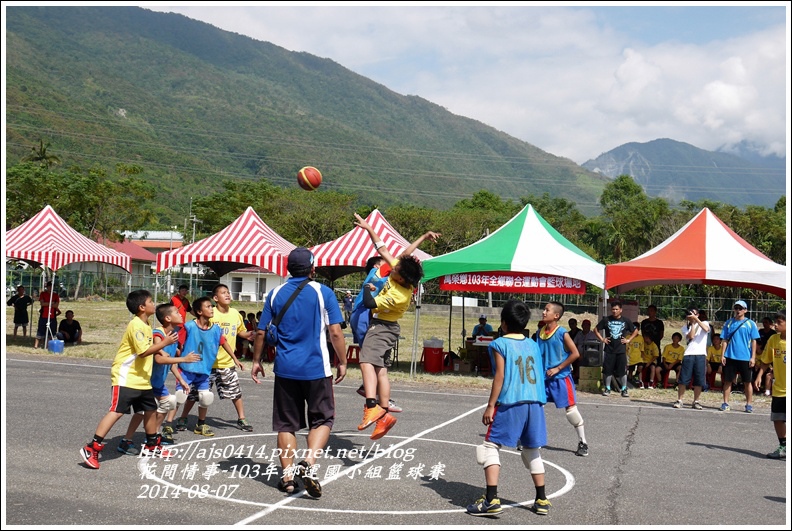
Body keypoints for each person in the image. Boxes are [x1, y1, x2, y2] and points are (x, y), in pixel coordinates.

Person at [251, 247, 347, 497]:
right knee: (323, 419)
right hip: (317, 368)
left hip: (285, 369)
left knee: (286, 424)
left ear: (287, 268)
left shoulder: (274, 294)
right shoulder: (323, 292)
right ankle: (309, 463)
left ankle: (288, 478)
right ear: (313, 268)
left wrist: (257, 361)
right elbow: (335, 332)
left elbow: (261, 332)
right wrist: (343, 361)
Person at [354, 213, 440, 440]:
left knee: (365, 362)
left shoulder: (399, 294)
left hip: (382, 327)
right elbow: (386, 249)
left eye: (395, 268)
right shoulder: (401, 274)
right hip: (388, 328)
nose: (392, 266)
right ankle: (383, 418)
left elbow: (369, 302)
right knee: (380, 369)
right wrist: (368, 228)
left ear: (402, 278)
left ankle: (371, 406)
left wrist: (367, 288)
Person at [465, 299, 550, 517]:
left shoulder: (499, 344)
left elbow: (500, 377)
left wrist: (490, 405)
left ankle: (491, 500)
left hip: (511, 402)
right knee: (532, 450)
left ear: (503, 324)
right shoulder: (533, 343)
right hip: (535, 402)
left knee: (490, 447)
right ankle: (541, 499)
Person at [79, 290, 178, 469]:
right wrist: (164, 344)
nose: (153, 303)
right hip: (126, 377)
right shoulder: (136, 325)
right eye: (150, 301)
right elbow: (142, 352)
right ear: (142, 307)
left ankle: (151, 445)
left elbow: (148, 349)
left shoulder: (146, 325)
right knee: (117, 411)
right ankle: (92, 447)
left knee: (150, 409)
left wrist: (163, 349)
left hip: (141, 378)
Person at [117, 302, 200, 454]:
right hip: (146, 382)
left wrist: (181, 379)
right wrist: (184, 359)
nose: (181, 314)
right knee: (142, 412)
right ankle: (126, 440)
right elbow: (160, 359)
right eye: (177, 312)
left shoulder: (173, 335)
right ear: (168, 318)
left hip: (158, 382)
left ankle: (152, 437)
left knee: (168, 402)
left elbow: (169, 362)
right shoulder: (158, 334)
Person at [173, 296, 241, 436]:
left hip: (204, 370)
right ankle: (169, 423)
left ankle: (201, 424)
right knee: (180, 396)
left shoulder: (215, 329)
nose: (212, 309)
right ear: (199, 311)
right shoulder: (189, 327)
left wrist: (235, 358)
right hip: (187, 369)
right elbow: (176, 343)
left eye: (211, 306)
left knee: (205, 398)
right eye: (208, 307)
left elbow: (224, 343)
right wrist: (179, 356)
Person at [535, 301, 588, 458]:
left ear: (556, 315)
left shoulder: (562, 333)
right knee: (536, 407)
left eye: (547, 310)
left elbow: (575, 353)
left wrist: (558, 368)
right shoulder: (540, 333)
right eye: (544, 309)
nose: (544, 312)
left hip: (561, 378)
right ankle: (532, 440)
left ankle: (583, 442)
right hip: (544, 378)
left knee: (571, 411)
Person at [719, 300, 760, 413]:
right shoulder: (729, 323)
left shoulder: (750, 324)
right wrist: (723, 355)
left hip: (745, 357)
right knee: (728, 381)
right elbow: (725, 340)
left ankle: (749, 404)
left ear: (745, 310)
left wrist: (753, 357)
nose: (738, 310)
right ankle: (725, 402)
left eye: (740, 308)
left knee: (747, 382)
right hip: (730, 356)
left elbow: (753, 341)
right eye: (736, 308)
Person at [756, 310, 785, 459]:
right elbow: (766, 360)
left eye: (780, 323)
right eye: (776, 322)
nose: (776, 325)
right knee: (778, 418)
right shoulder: (774, 339)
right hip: (779, 388)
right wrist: (760, 376)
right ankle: (783, 446)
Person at [594, 301, 638, 397]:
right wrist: (602, 339)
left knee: (622, 370)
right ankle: (607, 388)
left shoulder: (626, 320)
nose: (614, 311)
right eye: (613, 309)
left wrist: (628, 340)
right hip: (609, 349)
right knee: (607, 370)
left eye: (616, 309)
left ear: (621, 310)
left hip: (621, 350)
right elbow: (596, 329)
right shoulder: (606, 320)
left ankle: (624, 389)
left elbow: (635, 330)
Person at [673, 307, 710, 409]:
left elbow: (706, 329)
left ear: (698, 315)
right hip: (689, 354)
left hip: (701, 354)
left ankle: (696, 401)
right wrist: (693, 323)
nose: (691, 315)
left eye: (693, 313)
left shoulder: (705, 323)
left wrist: (696, 320)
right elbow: (692, 336)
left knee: (699, 379)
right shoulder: (685, 327)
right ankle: (680, 400)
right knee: (683, 379)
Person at [34, 281, 60, 349]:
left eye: (51, 287)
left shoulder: (55, 295)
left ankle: (48, 345)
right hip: (44, 315)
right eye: (49, 287)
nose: (50, 288)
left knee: (52, 331)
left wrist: (48, 303)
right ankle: (36, 345)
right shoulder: (43, 294)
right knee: (40, 330)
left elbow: (56, 305)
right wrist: (51, 303)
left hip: (52, 316)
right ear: (47, 287)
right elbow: (42, 304)